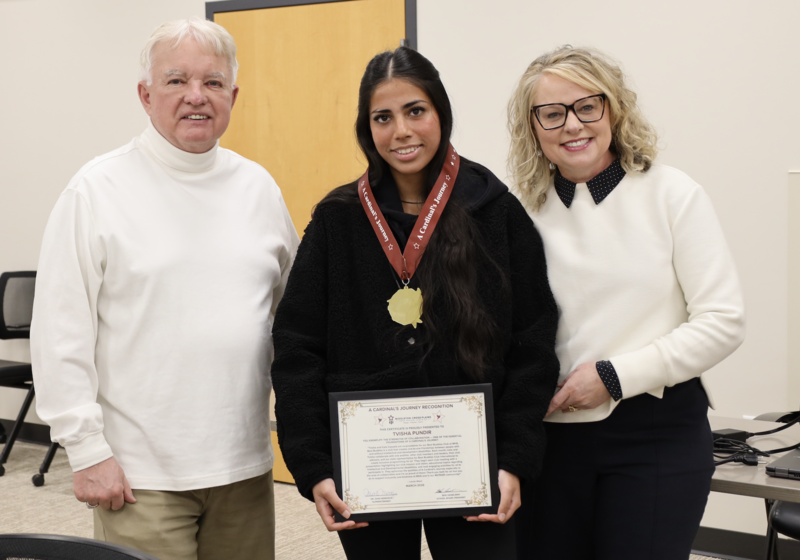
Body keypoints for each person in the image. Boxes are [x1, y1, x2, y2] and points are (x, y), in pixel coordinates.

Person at [271, 46, 560, 559]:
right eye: (383, 117)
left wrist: (513, 457)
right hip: (369, 468)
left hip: (476, 464)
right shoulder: (337, 220)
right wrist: (313, 465)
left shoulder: (496, 212)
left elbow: (533, 343)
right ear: (367, 128)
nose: (401, 131)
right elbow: (296, 347)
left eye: (415, 111)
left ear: (440, 114)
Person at [30, 17, 298, 560]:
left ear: (233, 95)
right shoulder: (96, 191)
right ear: (145, 94)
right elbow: (60, 331)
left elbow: (293, 319)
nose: (196, 97)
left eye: (213, 82)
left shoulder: (259, 189)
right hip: (137, 475)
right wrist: (85, 450)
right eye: (176, 81)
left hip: (243, 469)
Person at [507, 45, 746, 559]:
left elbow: (723, 322)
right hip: (547, 444)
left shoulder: (673, 195)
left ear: (613, 109)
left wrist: (613, 377)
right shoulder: (519, 211)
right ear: (533, 128)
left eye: (587, 106)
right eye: (552, 113)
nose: (572, 125)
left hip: (654, 437)